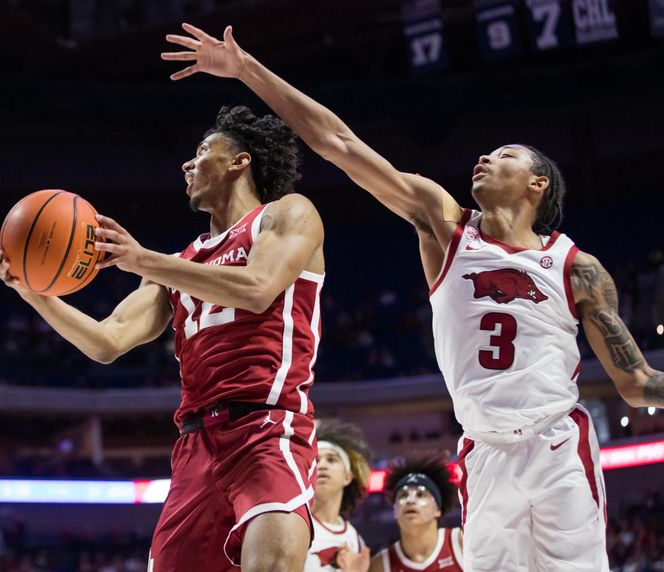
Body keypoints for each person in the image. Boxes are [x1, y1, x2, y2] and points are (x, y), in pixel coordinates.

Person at [161, 24, 664, 571]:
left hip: (558, 443)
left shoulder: (578, 268)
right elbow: (339, 143)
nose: (485, 157)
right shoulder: (445, 225)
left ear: (538, 184)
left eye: (505, 154)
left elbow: (636, 385)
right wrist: (246, 69)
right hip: (484, 450)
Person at [0, 105, 326, 572]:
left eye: (203, 151)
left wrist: (141, 259)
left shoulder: (288, 214)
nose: (188, 165)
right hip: (194, 447)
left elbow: (257, 288)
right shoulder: (176, 264)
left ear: (240, 161)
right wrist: (34, 294)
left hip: (267, 430)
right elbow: (108, 341)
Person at [370, 452, 463, 572]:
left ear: (438, 509)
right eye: (403, 495)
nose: (410, 500)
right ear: (395, 510)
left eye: (420, 494)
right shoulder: (380, 564)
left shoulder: (460, 542)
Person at [306, 419, 372, 572]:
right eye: (315, 461)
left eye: (331, 459)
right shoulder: (296, 525)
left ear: (347, 477)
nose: (322, 466)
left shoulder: (355, 539)